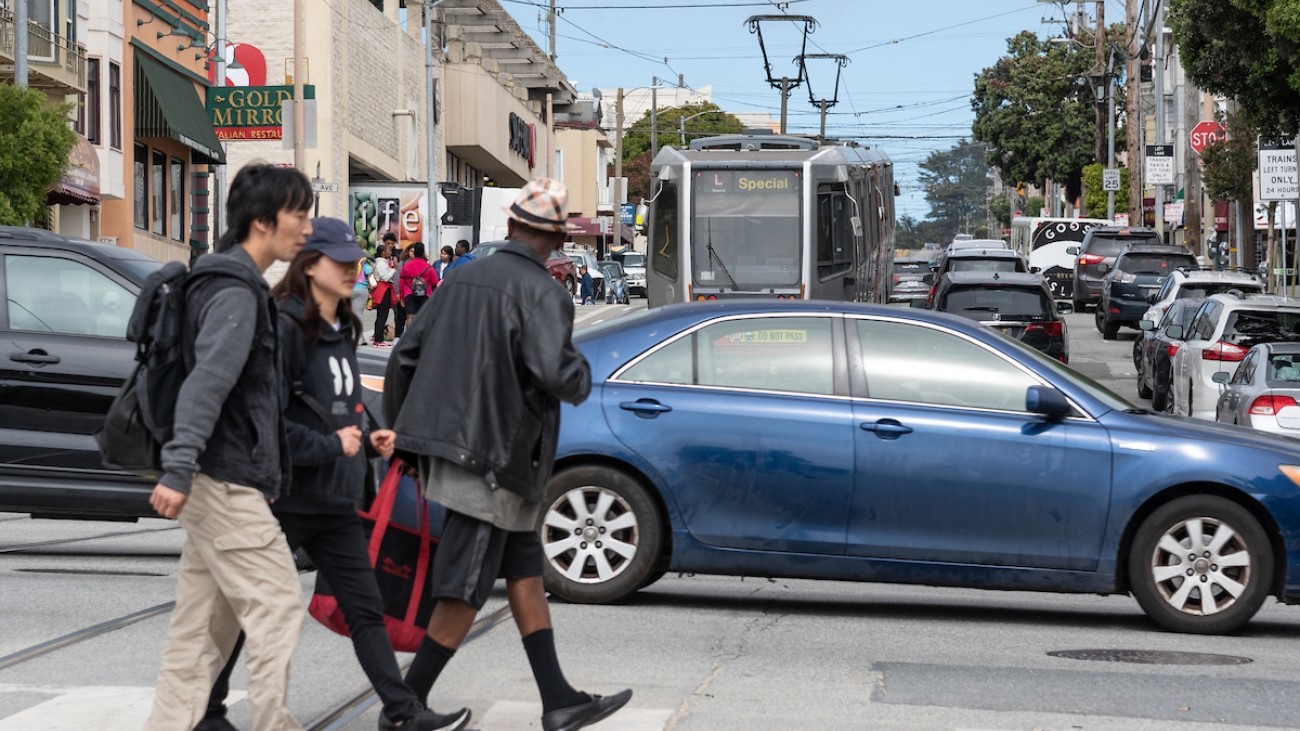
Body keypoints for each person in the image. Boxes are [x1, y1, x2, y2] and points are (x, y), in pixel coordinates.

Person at [196, 218, 470, 731]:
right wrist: (331, 445)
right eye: (342, 263)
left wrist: (370, 437)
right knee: (245, 608)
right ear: (310, 265)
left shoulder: (344, 324)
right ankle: (207, 709)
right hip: (289, 497)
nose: (353, 271)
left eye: (356, 262)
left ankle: (402, 711)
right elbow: (268, 421)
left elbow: (338, 407)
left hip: (338, 502)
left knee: (365, 608)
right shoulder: (282, 327)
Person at [384, 179, 632, 731]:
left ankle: (559, 698)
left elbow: (404, 356)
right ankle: (405, 705)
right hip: (495, 457)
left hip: (460, 449)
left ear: (513, 226)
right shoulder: (544, 293)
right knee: (467, 588)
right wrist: (583, 370)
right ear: (554, 237)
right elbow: (556, 374)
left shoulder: (462, 277)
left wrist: (404, 438)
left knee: (522, 572)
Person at [143, 163, 313, 731]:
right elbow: (207, 383)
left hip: (220, 478)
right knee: (277, 607)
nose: (307, 228)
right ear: (264, 222)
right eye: (300, 214)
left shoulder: (229, 285)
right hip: (224, 480)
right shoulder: (236, 294)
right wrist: (179, 468)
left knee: (199, 635)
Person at [399, 242, 439, 328]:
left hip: (409, 294)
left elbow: (402, 282)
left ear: (414, 252)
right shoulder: (428, 267)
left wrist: (402, 297)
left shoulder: (406, 266)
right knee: (423, 318)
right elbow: (435, 281)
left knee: (410, 318)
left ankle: (409, 338)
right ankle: (421, 339)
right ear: (423, 252)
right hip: (425, 294)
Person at [371, 234, 399, 346]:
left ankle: (378, 337)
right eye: (387, 250)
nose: (390, 251)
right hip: (383, 289)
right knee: (382, 315)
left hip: (385, 289)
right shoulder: (381, 263)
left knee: (382, 315)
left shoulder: (383, 262)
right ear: (382, 253)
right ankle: (378, 339)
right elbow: (386, 277)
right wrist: (394, 269)